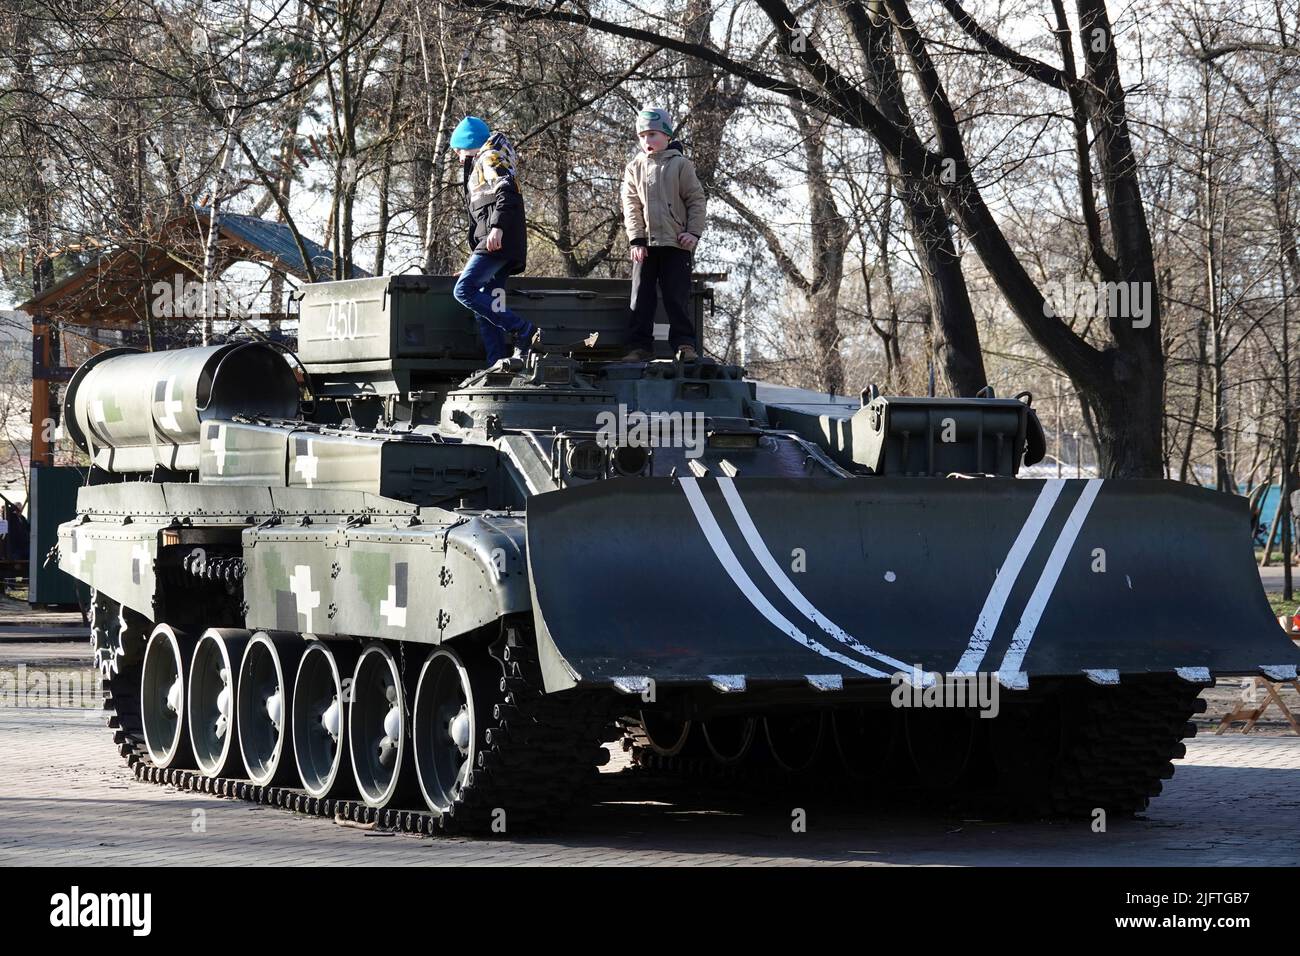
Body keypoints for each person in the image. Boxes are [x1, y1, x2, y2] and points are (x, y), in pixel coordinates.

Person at [449, 115, 539, 367]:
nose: (458, 156)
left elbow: (506, 190)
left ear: (469, 144)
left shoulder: (489, 159)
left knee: (463, 291)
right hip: (498, 245)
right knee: (484, 305)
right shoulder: (486, 160)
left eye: (458, 150)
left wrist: (497, 228)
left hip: (498, 243)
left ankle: (523, 330)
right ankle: (496, 362)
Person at [619, 108, 707, 363]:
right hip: (645, 246)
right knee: (641, 298)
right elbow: (631, 205)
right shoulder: (634, 168)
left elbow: (696, 199)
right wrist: (636, 239)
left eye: (653, 134)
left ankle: (684, 345)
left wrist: (693, 232)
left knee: (676, 297)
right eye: (643, 135)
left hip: (676, 244)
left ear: (667, 135)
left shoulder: (680, 164)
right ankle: (639, 347)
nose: (648, 141)